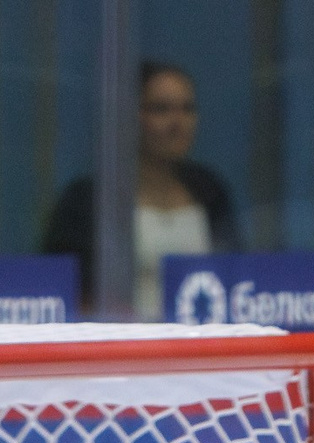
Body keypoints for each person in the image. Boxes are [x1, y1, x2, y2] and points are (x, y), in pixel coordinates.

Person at [42, 61, 239, 317]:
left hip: (198, 343)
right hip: (123, 347)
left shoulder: (210, 191)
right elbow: (64, 294)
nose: (177, 123)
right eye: (161, 110)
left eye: (187, 109)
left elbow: (234, 278)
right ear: (131, 117)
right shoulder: (87, 201)